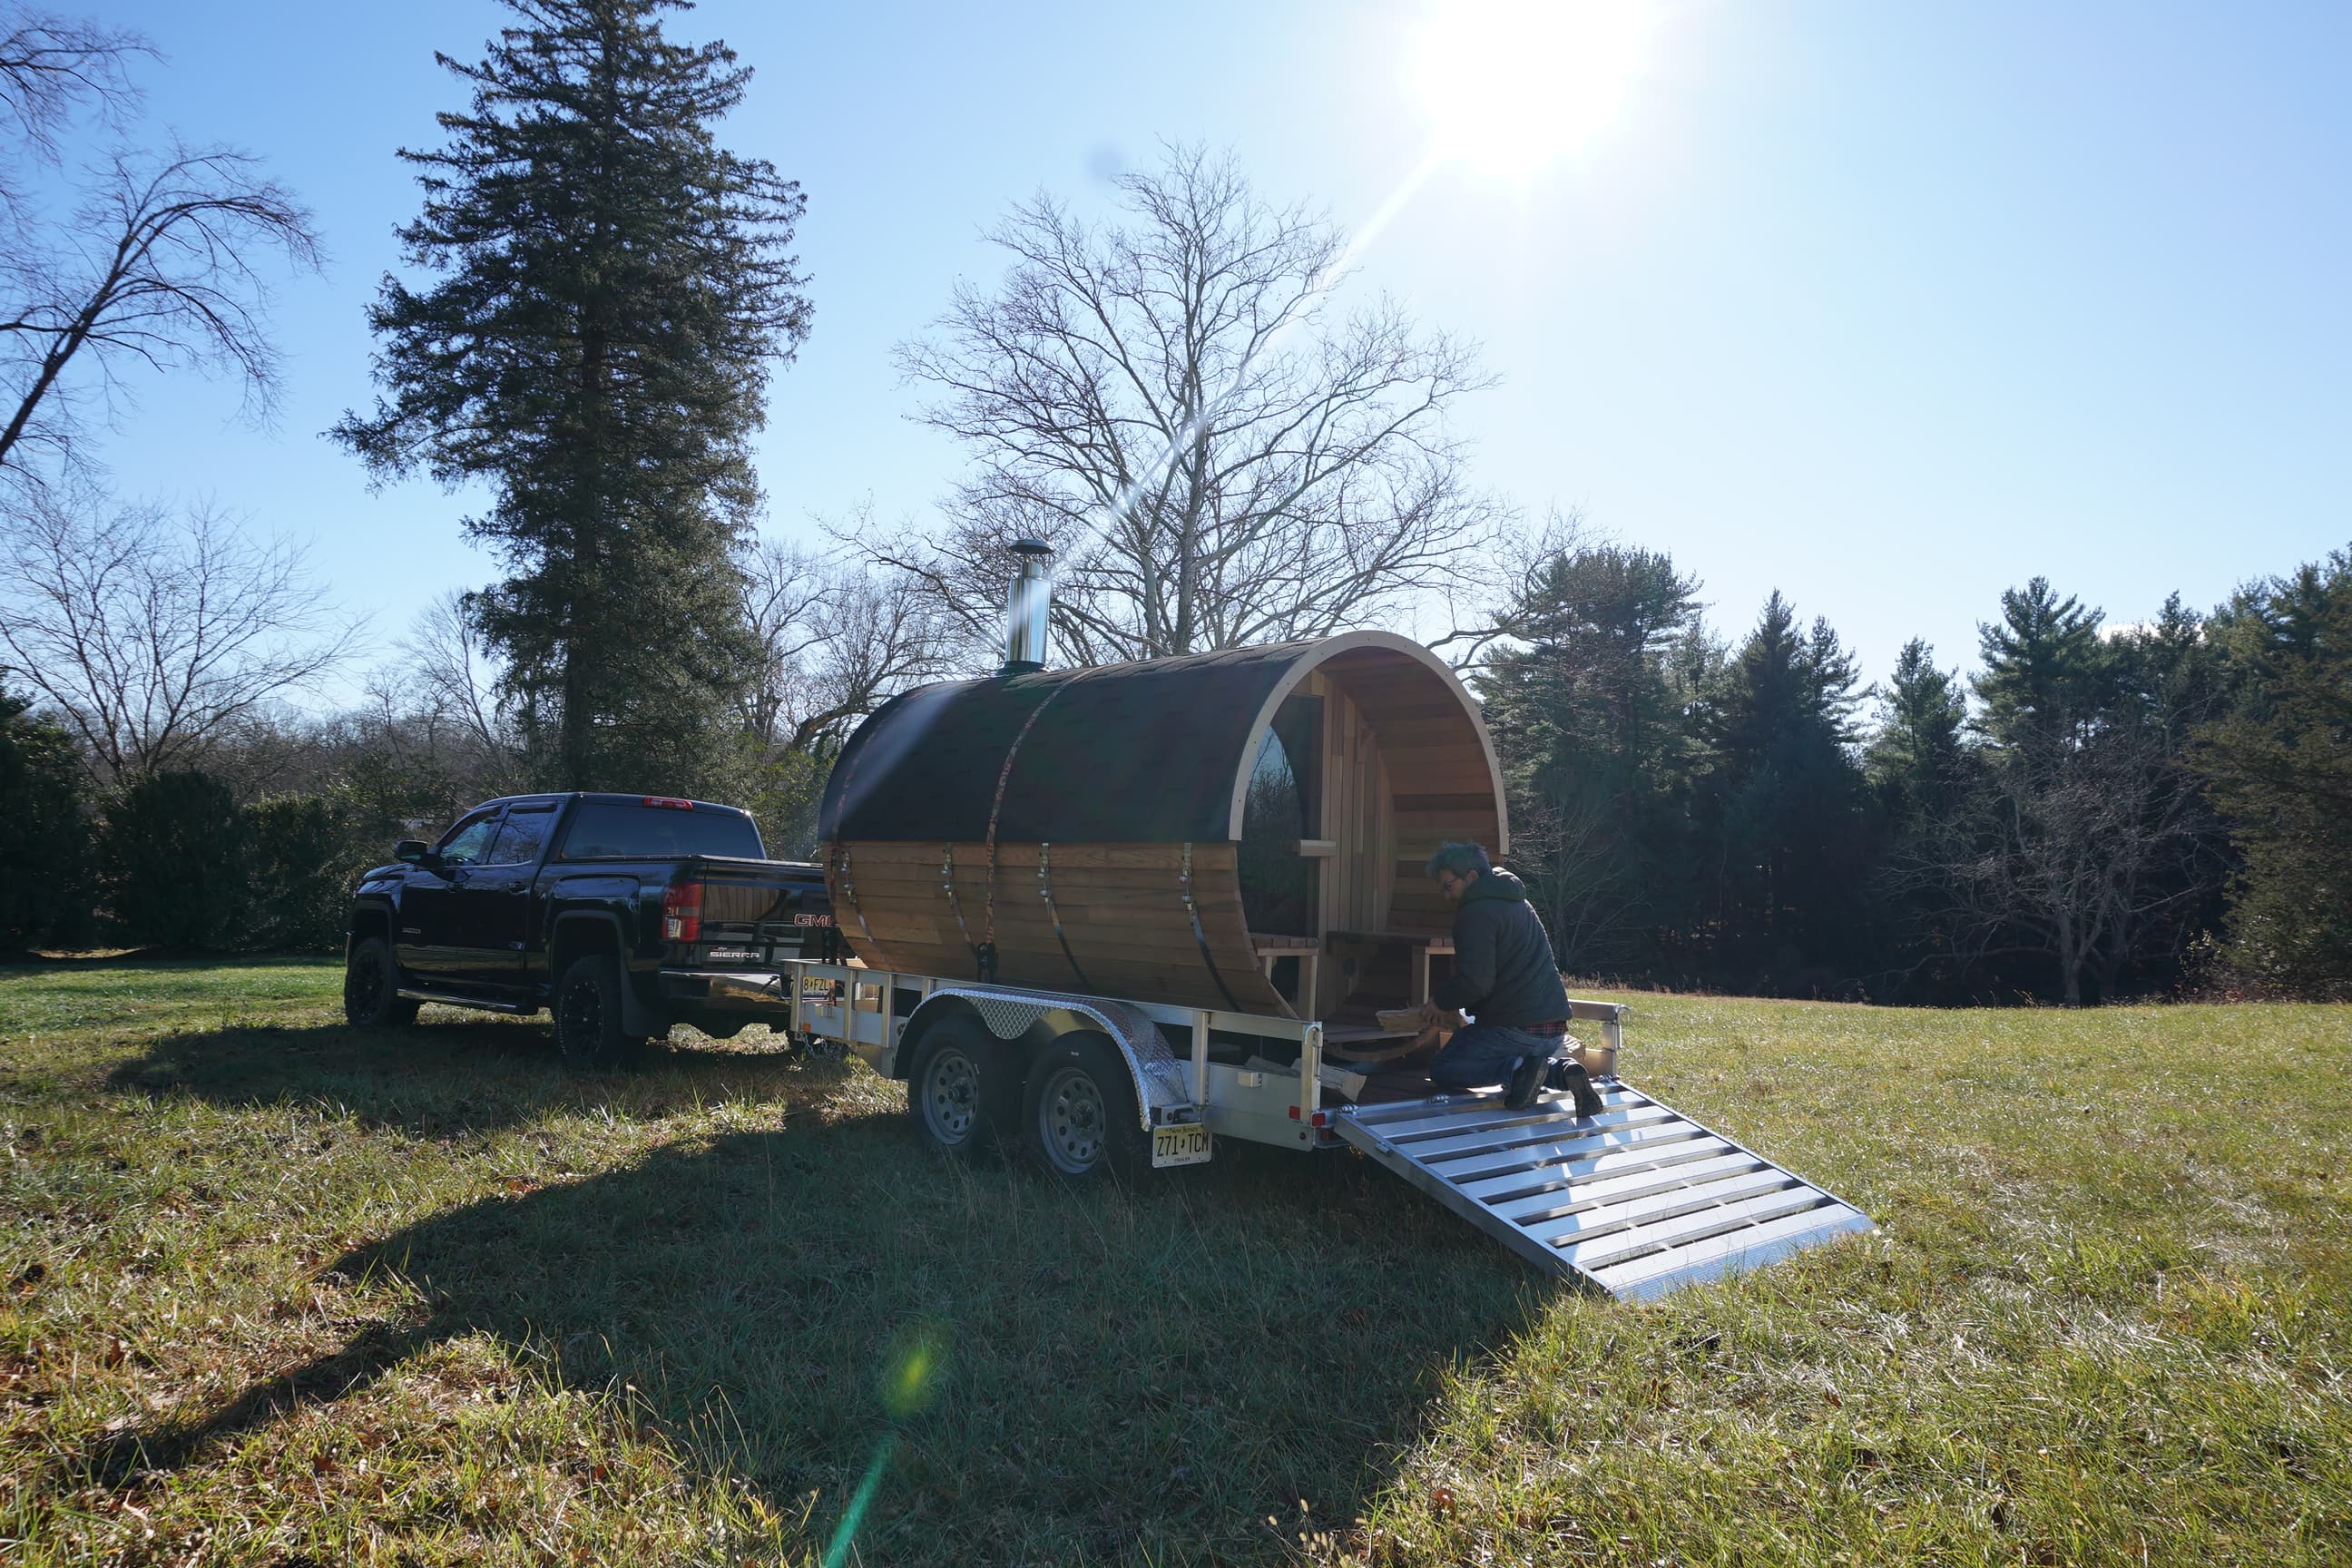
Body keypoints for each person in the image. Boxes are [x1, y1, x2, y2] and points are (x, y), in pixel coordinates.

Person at [1417, 841, 1603, 1114]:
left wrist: (1439, 1001)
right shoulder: (1519, 902)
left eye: (1449, 886)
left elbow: (1475, 982)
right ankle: (1560, 1071)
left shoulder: (1475, 912)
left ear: (1471, 876)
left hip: (1515, 1031)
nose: (1447, 896)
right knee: (1499, 1048)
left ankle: (1518, 1071)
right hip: (1554, 1032)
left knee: (1443, 1068)